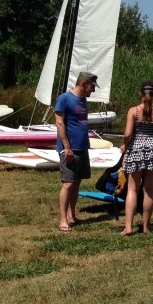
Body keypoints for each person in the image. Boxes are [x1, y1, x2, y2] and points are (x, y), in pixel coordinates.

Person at [120, 80, 153, 236]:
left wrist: (125, 146)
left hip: (136, 150)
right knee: (149, 190)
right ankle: (146, 227)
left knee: (132, 189)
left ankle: (128, 227)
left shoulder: (133, 111)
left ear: (141, 94)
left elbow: (127, 134)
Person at [55, 71, 96, 232]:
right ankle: (63, 220)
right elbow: (59, 123)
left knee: (77, 182)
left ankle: (72, 215)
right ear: (84, 84)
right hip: (70, 149)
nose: (93, 90)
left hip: (82, 147)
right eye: (92, 87)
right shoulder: (64, 98)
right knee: (68, 184)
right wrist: (67, 147)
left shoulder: (83, 99)